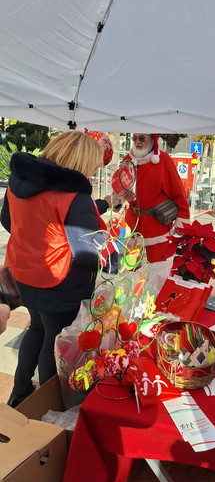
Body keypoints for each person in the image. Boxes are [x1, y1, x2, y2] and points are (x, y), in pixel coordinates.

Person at [1, 131, 107, 407]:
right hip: (57, 280)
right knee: (54, 342)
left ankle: (20, 392)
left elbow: (8, 222)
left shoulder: (17, 182)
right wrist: (114, 257)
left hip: (22, 273)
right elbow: (87, 252)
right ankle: (49, 405)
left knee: (36, 329)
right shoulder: (73, 196)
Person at [120, 134, 190, 263]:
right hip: (134, 222)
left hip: (157, 222)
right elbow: (120, 186)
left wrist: (182, 220)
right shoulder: (127, 160)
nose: (137, 142)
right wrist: (118, 200)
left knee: (159, 268)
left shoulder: (163, 159)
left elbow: (178, 191)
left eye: (142, 138)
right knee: (131, 268)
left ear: (153, 140)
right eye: (134, 138)